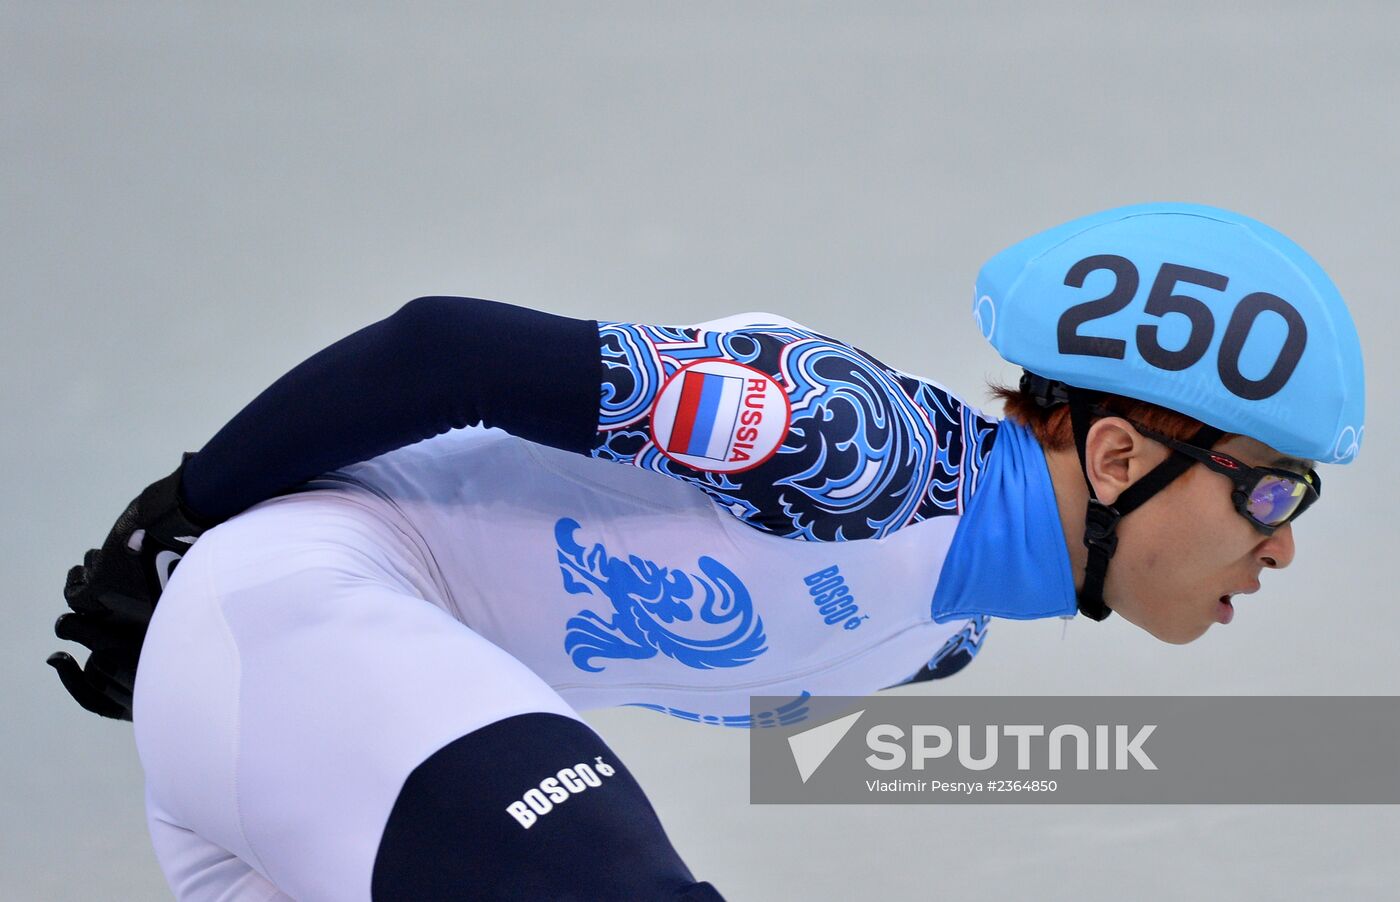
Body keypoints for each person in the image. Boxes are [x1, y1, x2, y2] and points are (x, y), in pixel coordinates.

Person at [49, 203, 1364, 900]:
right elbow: (446, 349)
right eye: (1269, 495)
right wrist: (173, 519)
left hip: (322, 766)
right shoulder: (860, 446)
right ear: (1128, 458)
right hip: (302, 599)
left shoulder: (941, 640)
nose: (1286, 548)